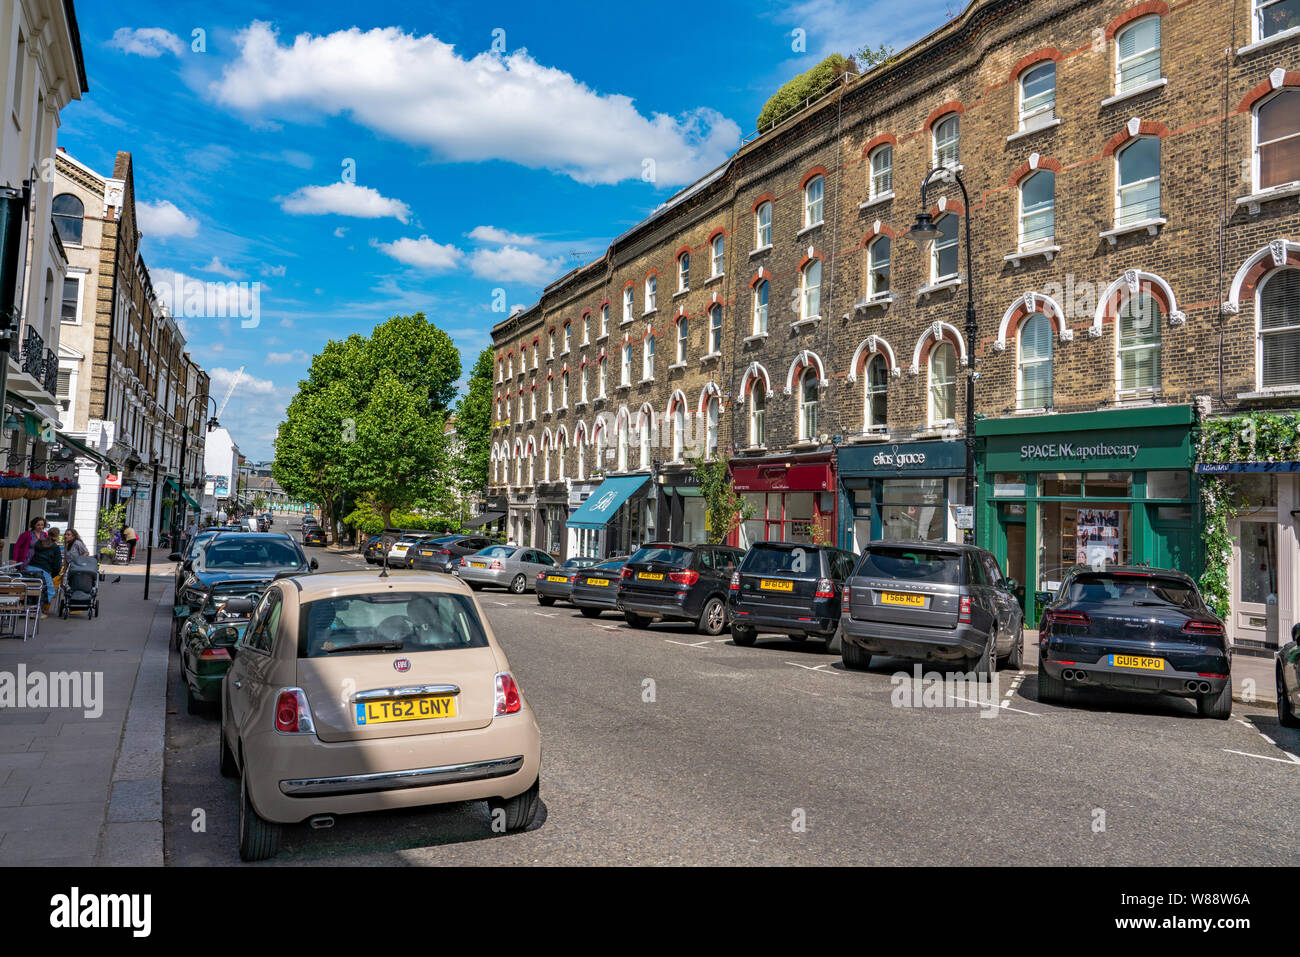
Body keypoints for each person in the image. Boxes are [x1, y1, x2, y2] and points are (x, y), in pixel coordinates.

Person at [14, 517, 53, 616]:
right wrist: (15, 559)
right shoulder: (26, 534)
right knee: (28, 582)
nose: (40, 527)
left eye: (42, 525)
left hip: (40, 562)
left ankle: (38, 605)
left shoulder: (45, 535)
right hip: (27, 560)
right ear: (34, 525)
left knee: (41, 583)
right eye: (38, 525)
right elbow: (17, 546)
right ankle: (27, 605)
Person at [31, 530, 63, 612]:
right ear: (56, 537)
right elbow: (57, 565)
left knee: (30, 588)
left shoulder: (39, 543)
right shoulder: (55, 547)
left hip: (30, 568)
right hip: (43, 570)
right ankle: (38, 609)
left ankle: (30, 606)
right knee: (50, 591)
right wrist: (53, 575)